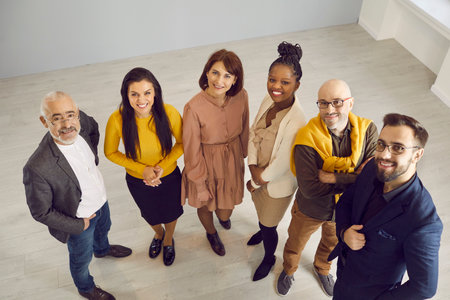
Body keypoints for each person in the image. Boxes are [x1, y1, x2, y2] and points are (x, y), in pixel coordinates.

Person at [23, 91, 132, 300]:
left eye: (70, 115)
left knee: (104, 229)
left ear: (78, 114)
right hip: (78, 219)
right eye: (57, 118)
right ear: (44, 122)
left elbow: (94, 130)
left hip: (100, 200)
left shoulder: (84, 126)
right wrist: (77, 225)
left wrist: (92, 160)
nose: (67, 124)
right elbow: (40, 212)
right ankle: (85, 287)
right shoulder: (37, 167)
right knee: (81, 258)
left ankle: (102, 249)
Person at [276, 79, 378, 297]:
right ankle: (289, 269)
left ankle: (322, 268)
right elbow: (310, 189)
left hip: (344, 211)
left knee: (331, 244)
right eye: (323, 103)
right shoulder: (306, 138)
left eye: (337, 102)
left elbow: (373, 179)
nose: (329, 110)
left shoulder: (368, 130)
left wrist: (332, 177)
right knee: (295, 241)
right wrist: (355, 177)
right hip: (310, 209)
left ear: (351, 103)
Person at [329, 113, 442, 300]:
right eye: (381, 144)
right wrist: (343, 232)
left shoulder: (423, 222)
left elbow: (424, 287)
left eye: (398, 148)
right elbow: (346, 202)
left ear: (417, 154)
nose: (384, 155)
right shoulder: (372, 169)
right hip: (344, 273)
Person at [104, 67, 183, 266]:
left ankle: (168, 239)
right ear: (126, 95)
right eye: (134, 94)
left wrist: (161, 167)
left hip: (169, 176)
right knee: (149, 213)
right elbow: (109, 152)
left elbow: (183, 143)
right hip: (138, 180)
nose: (141, 100)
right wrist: (143, 170)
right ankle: (158, 234)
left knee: (171, 212)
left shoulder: (169, 112)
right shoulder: (116, 119)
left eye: (147, 93)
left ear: (155, 92)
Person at [246, 41, 307, 281]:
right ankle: (262, 229)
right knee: (262, 218)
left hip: (275, 186)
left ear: (297, 85)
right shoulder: (268, 99)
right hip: (257, 174)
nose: (276, 87)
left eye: (285, 82)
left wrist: (257, 179)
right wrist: (252, 167)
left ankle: (269, 256)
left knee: (270, 226)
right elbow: (253, 132)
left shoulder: (297, 121)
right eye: (272, 79)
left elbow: (281, 165)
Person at [182, 49, 249, 256]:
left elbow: (245, 126)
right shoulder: (193, 107)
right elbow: (191, 148)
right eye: (215, 73)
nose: (219, 80)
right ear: (207, 73)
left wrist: (245, 155)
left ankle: (223, 217)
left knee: (226, 209)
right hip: (205, 161)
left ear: (235, 79)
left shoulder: (241, 96)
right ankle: (211, 232)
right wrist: (199, 183)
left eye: (227, 75)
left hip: (232, 158)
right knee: (206, 203)